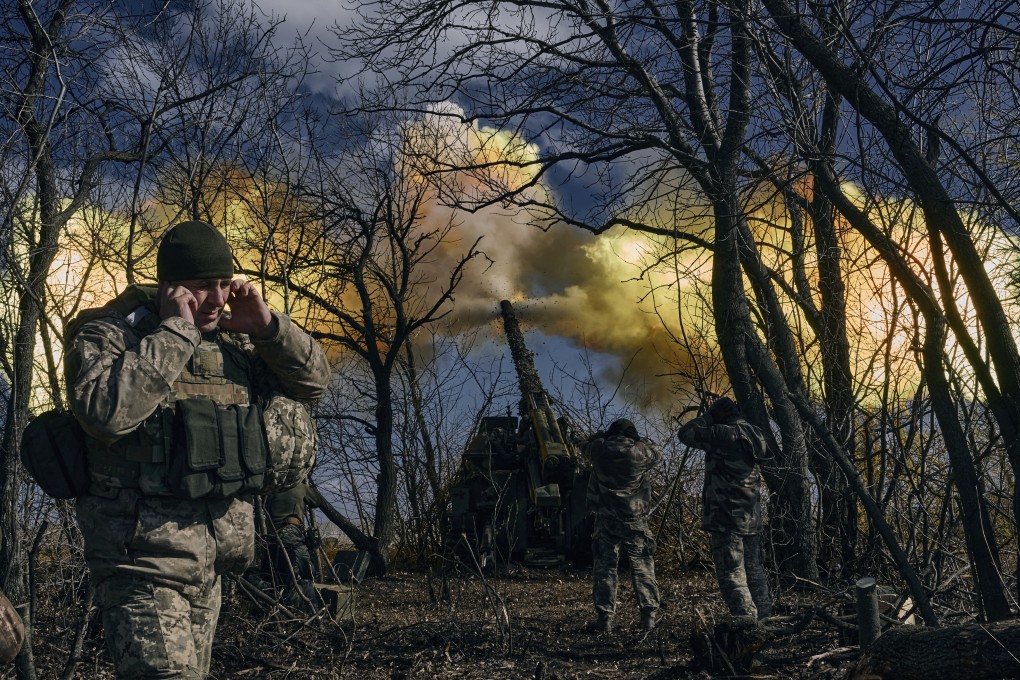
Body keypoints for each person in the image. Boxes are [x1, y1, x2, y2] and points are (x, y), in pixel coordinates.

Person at [64, 220, 329, 678]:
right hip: (142, 568)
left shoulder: (232, 342)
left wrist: (267, 328)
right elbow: (105, 412)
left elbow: (314, 383)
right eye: (203, 286)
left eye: (225, 284)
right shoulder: (112, 335)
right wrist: (174, 335)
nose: (219, 298)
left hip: (212, 571)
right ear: (170, 286)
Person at [679, 396, 772, 626]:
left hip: (725, 514)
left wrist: (708, 417)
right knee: (754, 570)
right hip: (751, 514)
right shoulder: (755, 433)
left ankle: (746, 623)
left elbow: (685, 434)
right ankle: (766, 619)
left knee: (732, 573)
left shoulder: (722, 433)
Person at [585, 418, 662, 634]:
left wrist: (598, 436)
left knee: (605, 568)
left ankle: (605, 619)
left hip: (606, 519)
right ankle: (648, 618)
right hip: (635, 520)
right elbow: (658, 453)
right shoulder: (641, 452)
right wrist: (640, 440)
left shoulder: (599, 448)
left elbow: (582, 444)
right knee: (643, 567)